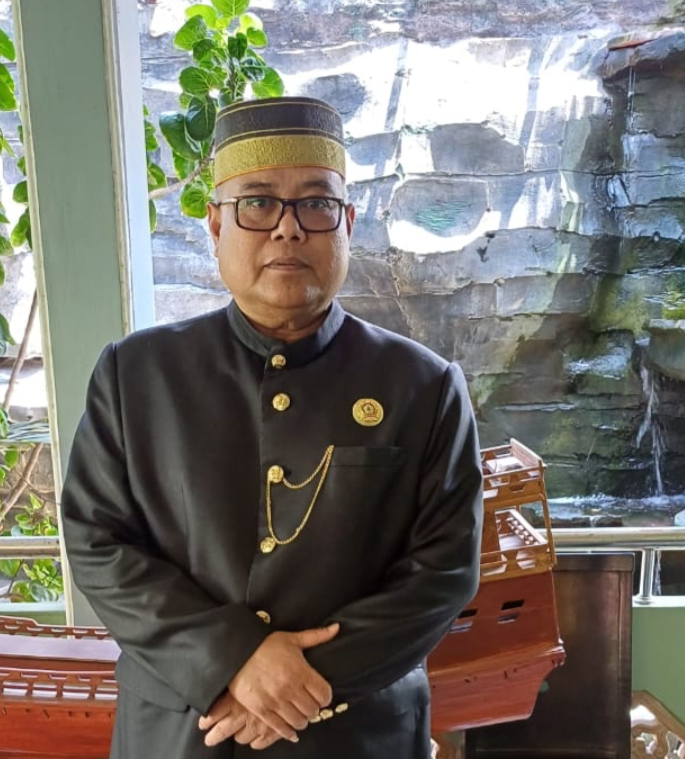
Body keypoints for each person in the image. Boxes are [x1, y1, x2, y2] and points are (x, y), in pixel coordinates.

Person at [60, 96, 483, 758]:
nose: (287, 229)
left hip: (355, 734)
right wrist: (230, 658)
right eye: (257, 203)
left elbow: (443, 571)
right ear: (215, 223)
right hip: (180, 732)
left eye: (315, 204)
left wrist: (296, 685)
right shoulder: (135, 375)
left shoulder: (423, 387)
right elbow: (96, 539)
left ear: (346, 223)